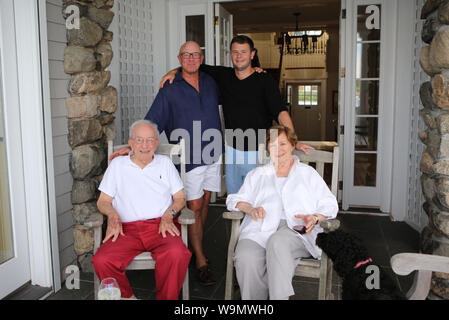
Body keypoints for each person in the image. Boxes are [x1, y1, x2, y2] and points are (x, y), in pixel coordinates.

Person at [111, 41, 222, 285]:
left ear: (201, 58)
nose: (191, 58)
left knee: (204, 204)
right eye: (186, 55)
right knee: (192, 207)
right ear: (179, 58)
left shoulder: (211, 81)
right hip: (190, 158)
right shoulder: (170, 87)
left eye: (195, 55)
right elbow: (151, 122)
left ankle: (195, 249)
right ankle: (201, 261)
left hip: (213, 153)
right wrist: (131, 147)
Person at [161, 35, 313, 195]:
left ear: (252, 54)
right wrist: (173, 72)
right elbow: (192, 64)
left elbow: (281, 112)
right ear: (230, 54)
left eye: (243, 52)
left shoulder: (265, 80)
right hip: (232, 150)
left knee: (260, 199)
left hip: (259, 151)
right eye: (235, 52)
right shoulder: (223, 75)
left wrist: (293, 140)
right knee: (235, 201)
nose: (239, 56)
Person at [226, 125, 339, 300]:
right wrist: (249, 208)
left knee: (277, 243)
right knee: (245, 256)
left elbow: (330, 203)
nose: (278, 150)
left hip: (295, 231)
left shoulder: (307, 173)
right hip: (260, 228)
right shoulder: (258, 174)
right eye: (273, 145)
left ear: (293, 145)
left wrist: (315, 217)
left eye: (283, 144)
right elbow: (232, 199)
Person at [92, 120, 191, 300]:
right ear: (131, 143)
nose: (144, 145)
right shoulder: (117, 166)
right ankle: (127, 298)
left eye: (150, 140)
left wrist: (169, 215)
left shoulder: (165, 164)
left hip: (161, 226)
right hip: (125, 229)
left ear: (156, 143)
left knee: (177, 254)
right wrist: (113, 216)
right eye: (139, 140)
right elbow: (103, 202)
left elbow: (180, 198)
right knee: (102, 260)